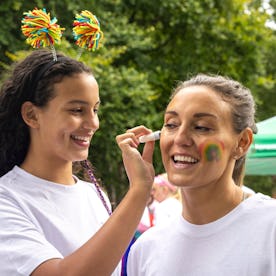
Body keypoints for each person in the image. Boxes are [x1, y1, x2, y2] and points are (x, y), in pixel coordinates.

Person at [0, 49, 156, 276]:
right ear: (32, 115)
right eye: (77, 110)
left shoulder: (93, 194)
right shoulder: (7, 199)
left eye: (95, 109)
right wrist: (140, 190)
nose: (93, 123)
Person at [127, 73, 276, 275]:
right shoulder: (145, 249)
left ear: (242, 143)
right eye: (171, 124)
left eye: (202, 127)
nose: (180, 139)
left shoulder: (270, 228)